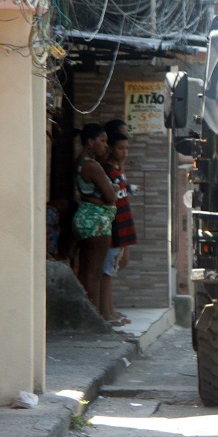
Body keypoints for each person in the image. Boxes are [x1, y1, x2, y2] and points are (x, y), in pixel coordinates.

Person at [73, 123, 118, 316]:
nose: (106, 146)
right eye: (103, 141)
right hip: (97, 222)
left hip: (85, 218)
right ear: (90, 142)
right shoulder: (93, 165)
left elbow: (89, 193)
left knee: (84, 271)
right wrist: (114, 188)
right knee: (94, 273)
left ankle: (83, 314)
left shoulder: (79, 162)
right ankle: (94, 318)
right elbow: (111, 196)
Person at [101, 131, 136, 326]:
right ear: (111, 148)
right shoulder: (106, 171)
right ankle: (106, 312)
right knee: (107, 271)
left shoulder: (118, 170)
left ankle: (110, 309)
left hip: (123, 224)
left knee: (116, 266)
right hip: (114, 226)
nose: (125, 152)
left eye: (127, 149)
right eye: (121, 148)